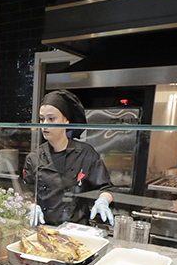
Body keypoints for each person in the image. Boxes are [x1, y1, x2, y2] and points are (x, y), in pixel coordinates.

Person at [22, 90, 115, 226]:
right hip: (44, 229)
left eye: (51, 119)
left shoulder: (86, 153)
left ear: (66, 120)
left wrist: (103, 201)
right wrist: (31, 207)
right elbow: (25, 194)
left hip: (76, 230)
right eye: (42, 119)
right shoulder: (34, 157)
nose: (45, 125)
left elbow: (106, 188)